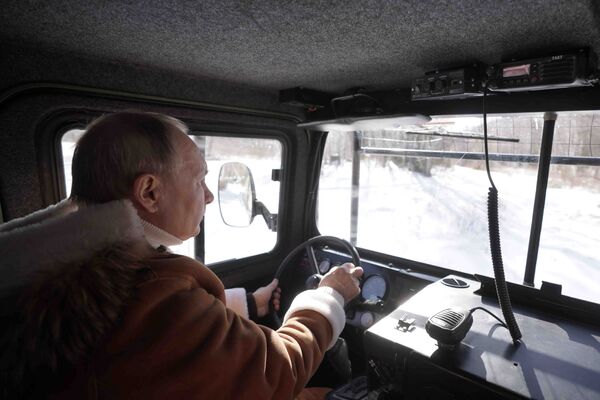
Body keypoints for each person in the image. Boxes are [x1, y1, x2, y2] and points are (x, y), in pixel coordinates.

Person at [0, 111, 363, 399]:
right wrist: (327, 298)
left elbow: (169, 335)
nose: (207, 196)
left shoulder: (72, 271)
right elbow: (277, 372)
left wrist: (251, 304)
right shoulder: (154, 289)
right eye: (198, 179)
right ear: (150, 192)